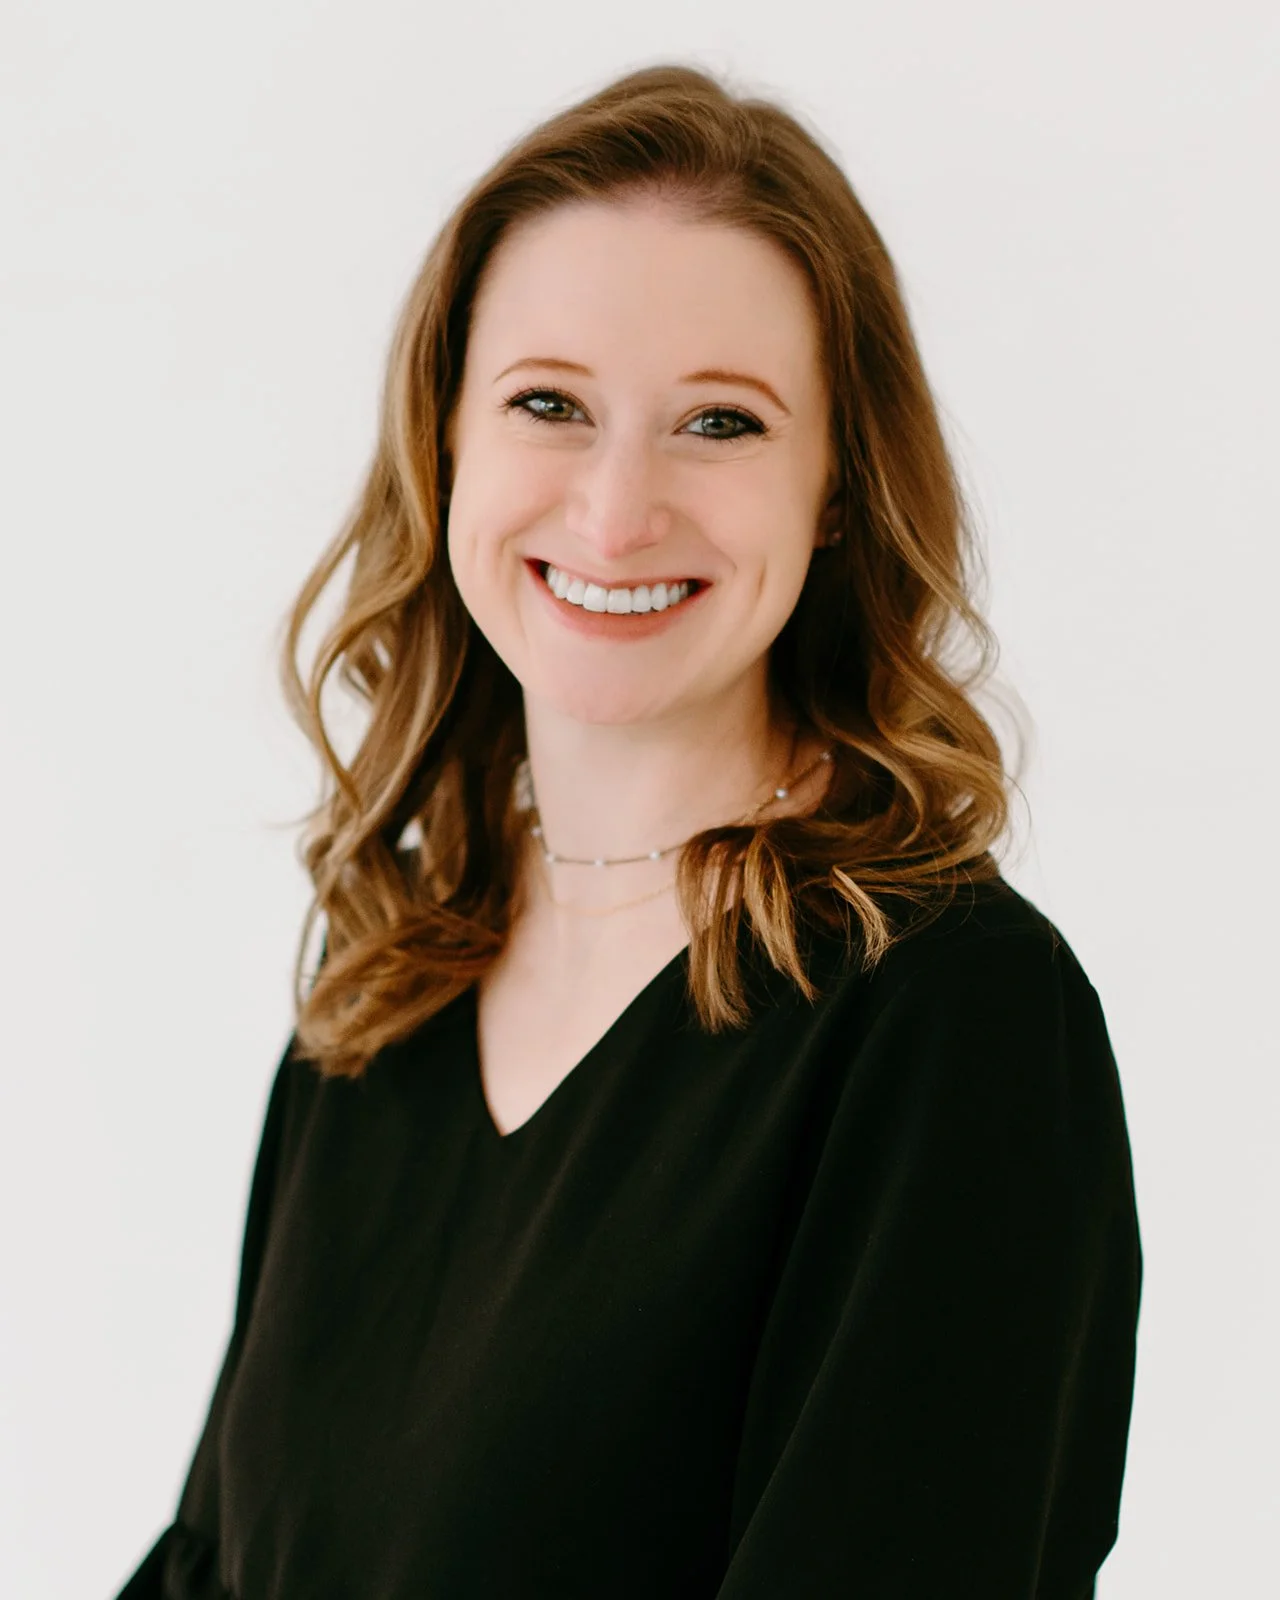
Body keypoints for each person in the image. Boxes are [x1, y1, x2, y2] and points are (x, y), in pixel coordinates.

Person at [116, 63, 1142, 1600]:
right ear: (445, 441)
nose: (613, 513)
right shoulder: (387, 988)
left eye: (721, 423)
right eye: (549, 404)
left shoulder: (953, 1020)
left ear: (837, 488)